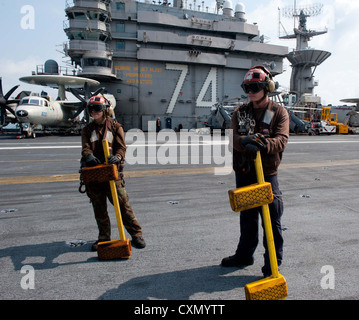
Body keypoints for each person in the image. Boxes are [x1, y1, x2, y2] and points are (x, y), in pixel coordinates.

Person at [221, 66, 289, 277]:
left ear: (267, 87)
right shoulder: (240, 113)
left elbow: (281, 140)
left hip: (267, 173)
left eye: (255, 87)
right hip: (245, 171)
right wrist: (244, 141)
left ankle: (272, 264)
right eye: (247, 87)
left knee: (272, 217)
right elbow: (232, 138)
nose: (250, 92)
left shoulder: (278, 112)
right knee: (247, 217)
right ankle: (244, 255)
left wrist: (263, 145)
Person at [81, 95, 146, 251]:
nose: (94, 112)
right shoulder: (87, 130)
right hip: (95, 174)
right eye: (91, 109)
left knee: (124, 205)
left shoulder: (116, 127)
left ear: (104, 110)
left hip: (112, 172)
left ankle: (136, 234)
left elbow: (122, 148)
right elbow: (85, 147)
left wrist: (117, 157)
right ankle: (104, 237)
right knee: (99, 208)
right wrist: (88, 155)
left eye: (97, 109)